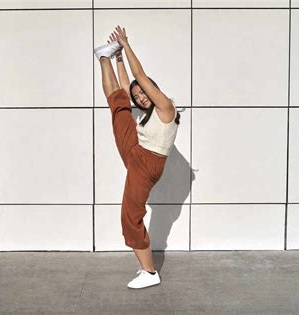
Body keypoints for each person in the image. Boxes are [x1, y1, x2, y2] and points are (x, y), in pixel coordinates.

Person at [94, 25, 180, 289]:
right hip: (136, 154)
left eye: (143, 92)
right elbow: (126, 86)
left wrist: (126, 44)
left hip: (148, 164)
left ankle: (150, 272)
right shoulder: (145, 116)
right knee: (119, 106)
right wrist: (117, 55)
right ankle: (103, 58)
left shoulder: (166, 107)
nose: (141, 97)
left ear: (153, 90)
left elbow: (139, 75)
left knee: (130, 216)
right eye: (138, 96)